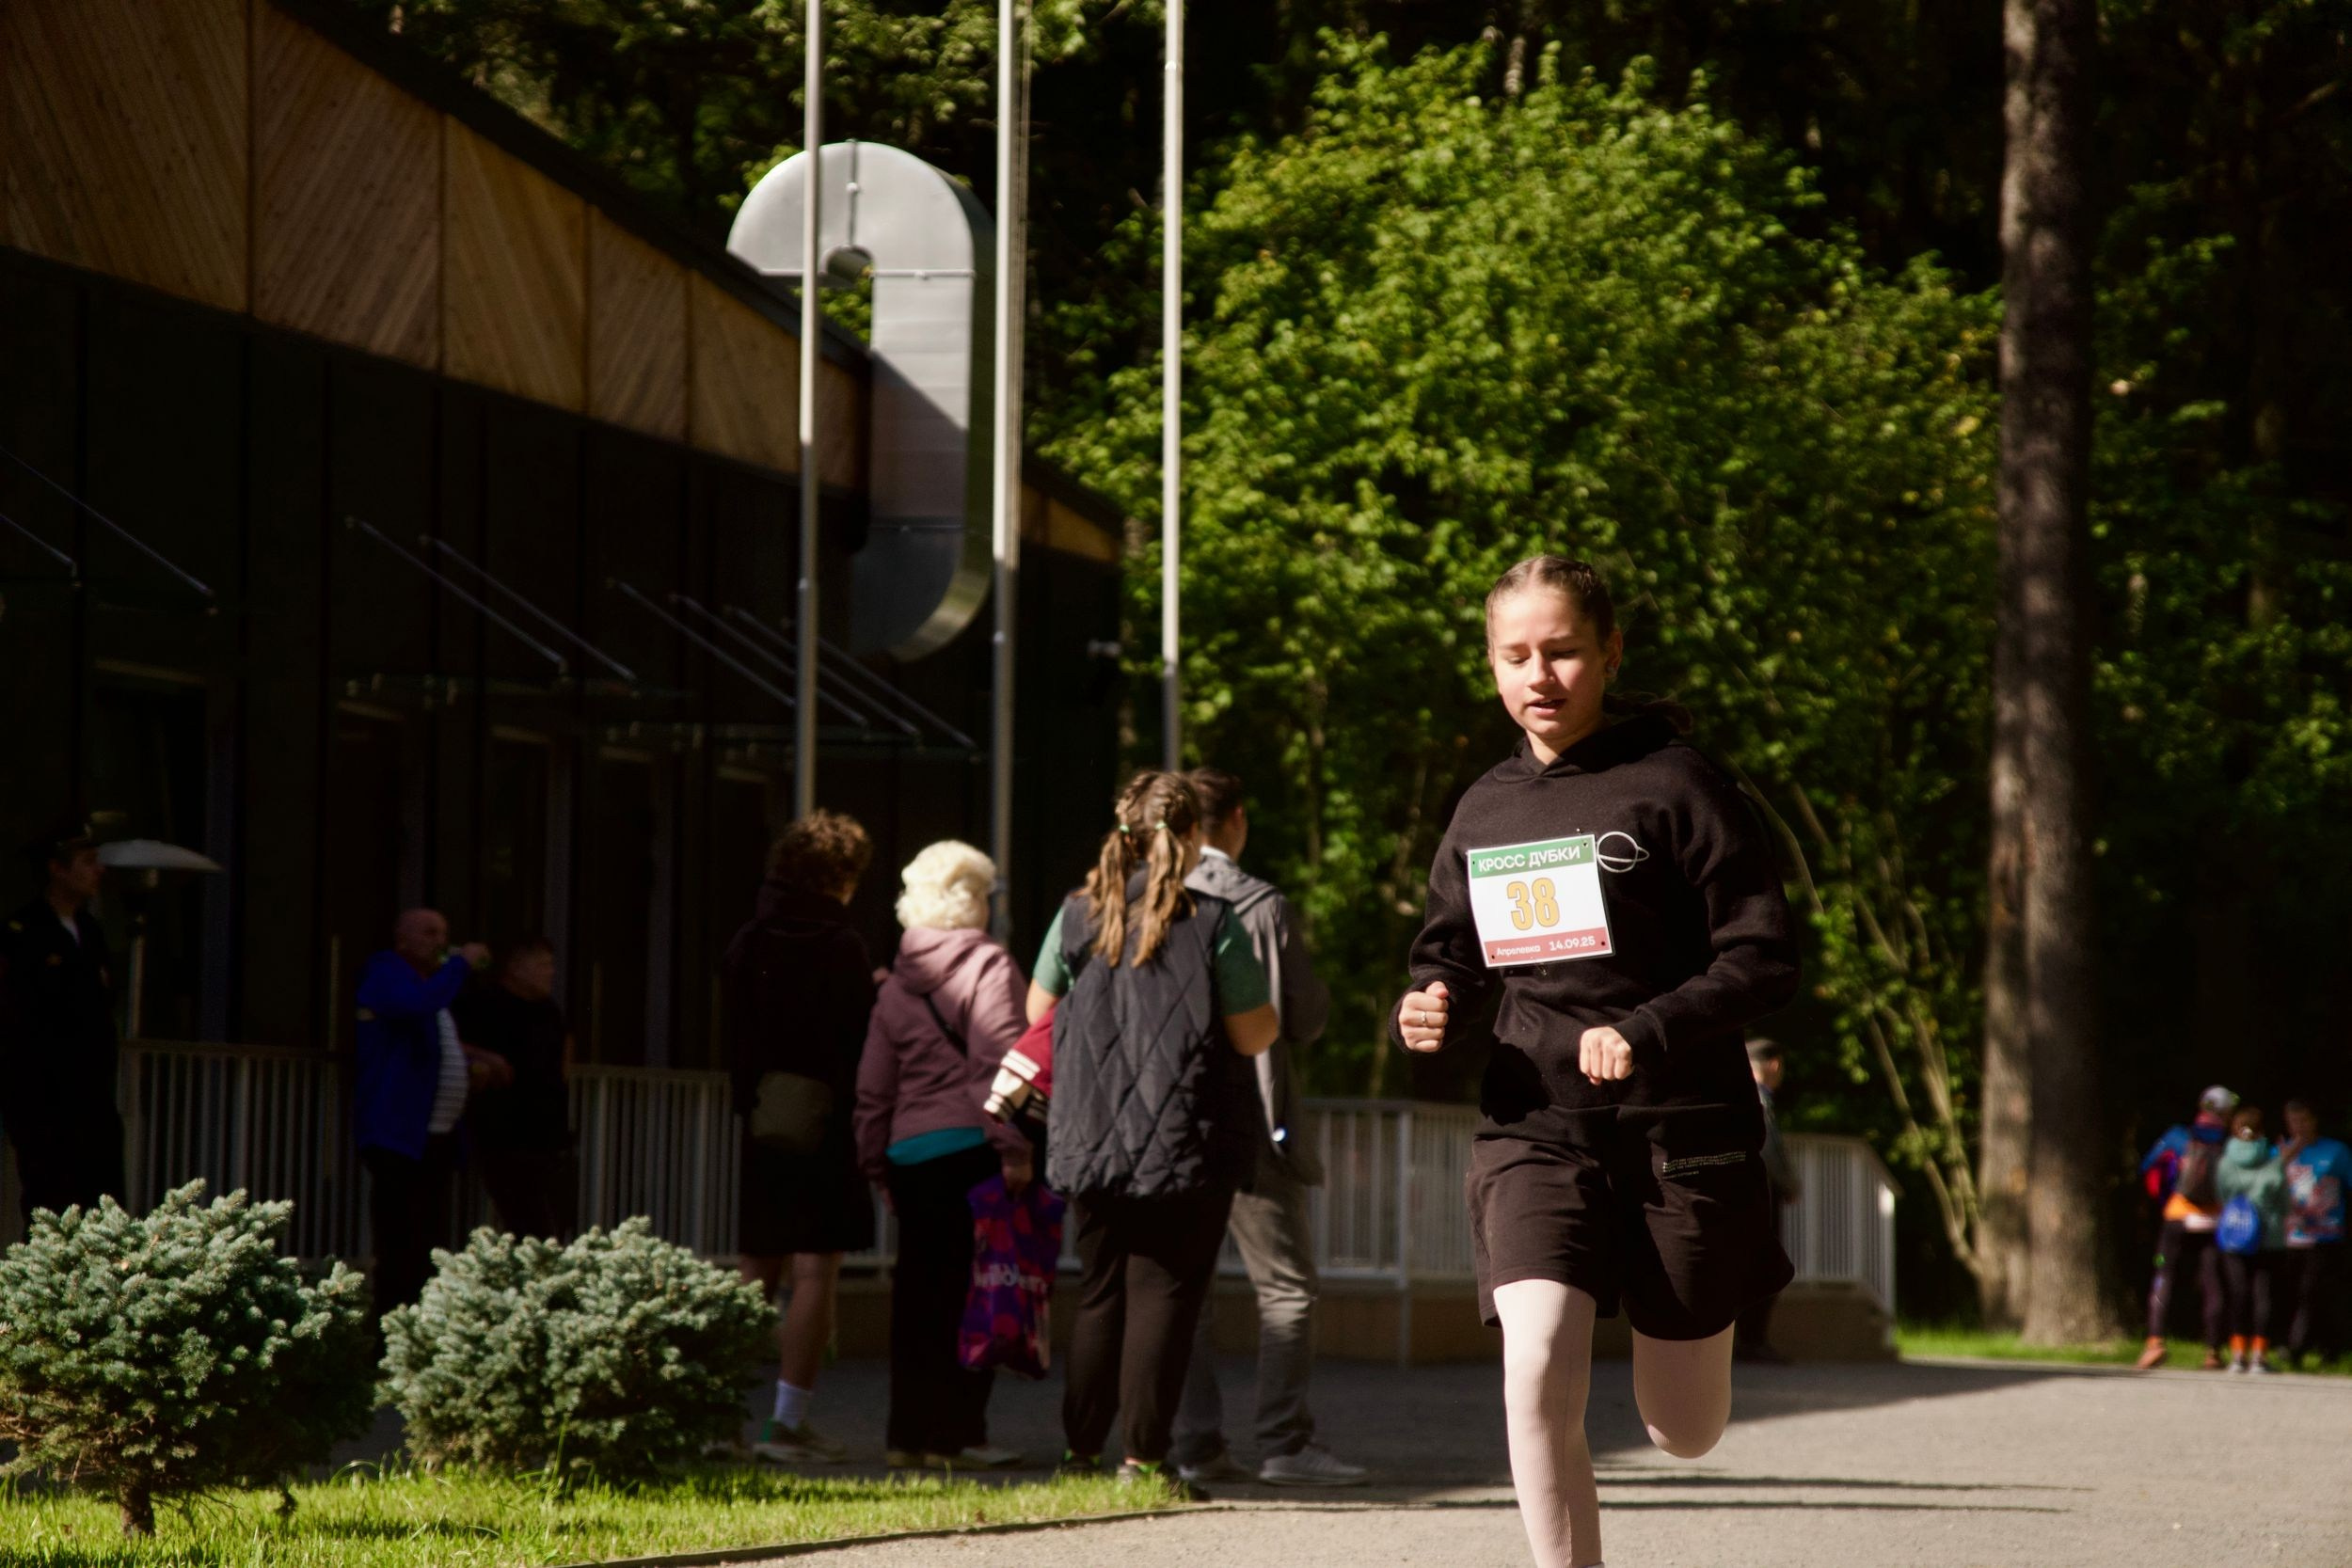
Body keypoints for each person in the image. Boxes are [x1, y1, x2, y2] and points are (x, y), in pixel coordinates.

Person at [1392, 555, 1798, 1568]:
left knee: (1683, 1427)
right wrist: (1432, 1000)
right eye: (1515, 655)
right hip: (1535, 1121)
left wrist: (1648, 1029)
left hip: (1679, 1130)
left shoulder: (1680, 783)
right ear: (1490, 664)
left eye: (1563, 650)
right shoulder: (1484, 806)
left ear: (1610, 652)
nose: (1539, 675)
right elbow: (1452, 949)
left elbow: (1762, 956)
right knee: (1533, 1364)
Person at [1027, 770, 1279, 1497]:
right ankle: (1143, 1460)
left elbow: (1037, 1009)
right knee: (1163, 1293)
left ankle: (1079, 1454)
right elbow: (1254, 1032)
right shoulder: (1212, 922)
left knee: (1100, 1290)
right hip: (1183, 1136)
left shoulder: (1078, 915)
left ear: (1124, 831)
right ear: (1193, 836)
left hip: (1089, 1130)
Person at [1170, 768, 1366, 1489]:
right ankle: (1284, 1440)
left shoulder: (1144, 898)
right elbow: (1304, 1017)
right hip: (1253, 1119)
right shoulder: (1260, 905)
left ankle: (1194, 1442)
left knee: (1184, 1289)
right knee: (1286, 1287)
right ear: (1238, 820)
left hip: (1170, 1123)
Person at [853, 840, 1033, 1470]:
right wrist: (1014, 1147)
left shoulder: (897, 981)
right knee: (973, 1294)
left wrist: (876, 1162)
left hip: (910, 1154)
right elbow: (999, 1065)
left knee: (915, 1296)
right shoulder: (990, 966)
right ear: (975, 900)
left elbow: (874, 1086)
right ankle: (955, 1435)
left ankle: (905, 1436)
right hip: (972, 1151)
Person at [723, 810, 878, 1465]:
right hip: (827, 1120)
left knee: (756, 1264)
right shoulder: (842, 945)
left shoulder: (750, 938)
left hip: (764, 1117)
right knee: (815, 1268)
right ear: (841, 876)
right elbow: (858, 1037)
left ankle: (721, 1413)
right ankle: (787, 1422)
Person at [355, 909, 497, 1319]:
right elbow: (416, 1006)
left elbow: (431, 1039)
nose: (440, 942)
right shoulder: (386, 973)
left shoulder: (429, 985)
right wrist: (460, 964)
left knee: (429, 1239)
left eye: (445, 933)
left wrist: (470, 1065)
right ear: (402, 939)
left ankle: (422, 1320)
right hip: (398, 1135)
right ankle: (392, 1324)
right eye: (430, 933)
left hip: (435, 1136)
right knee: (401, 1240)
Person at [0, 819, 126, 1223]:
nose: (98, 871)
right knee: (52, 1204)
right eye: (87, 861)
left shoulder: (90, 931)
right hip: (45, 1098)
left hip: (93, 1096)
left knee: (103, 1203)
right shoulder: (23, 932)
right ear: (57, 868)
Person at [451, 936, 575, 1241]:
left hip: (548, 1133)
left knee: (556, 1221)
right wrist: (483, 1060)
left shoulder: (548, 1010)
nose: (550, 973)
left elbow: (563, 1058)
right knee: (530, 1224)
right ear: (516, 967)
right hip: (504, 1133)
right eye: (543, 965)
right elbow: (453, 1044)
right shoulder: (484, 1004)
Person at [2137, 1085, 2236, 1371]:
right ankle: (2213, 1352)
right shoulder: (2230, 1144)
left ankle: (2155, 1342)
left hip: (2177, 1216)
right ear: (2227, 1113)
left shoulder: (2177, 1136)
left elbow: (2148, 1168)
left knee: (2163, 1274)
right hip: (2213, 1220)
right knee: (2212, 1282)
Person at [1734, 1037, 1800, 1364]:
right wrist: (1789, 1183)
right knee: (1765, 1265)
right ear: (1774, 1064)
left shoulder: (1740, 1096)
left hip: (1744, 1192)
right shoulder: (1759, 1099)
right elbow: (1768, 1149)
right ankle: (1753, 1340)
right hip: (1762, 1194)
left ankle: (1749, 1340)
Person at [2212, 1105, 2287, 1373]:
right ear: (2262, 1132)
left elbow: (2221, 1195)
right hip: (2267, 1238)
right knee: (2263, 1295)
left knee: (2238, 1294)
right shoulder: (2274, 1161)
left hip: (2234, 1235)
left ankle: (2237, 1355)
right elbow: (2284, 1203)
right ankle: (2259, 1356)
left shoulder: (2225, 1162)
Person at [2278, 1098, 2349, 1369]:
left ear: (2314, 1120)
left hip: (2325, 1235)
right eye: (2293, 1121)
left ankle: (2297, 1349)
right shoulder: (2280, 1152)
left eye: (2303, 1120)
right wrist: (2284, 1159)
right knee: (2293, 1294)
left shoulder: (2336, 1151)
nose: (2299, 1126)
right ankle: (2320, 1346)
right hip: (2288, 1237)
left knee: (2313, 1292)